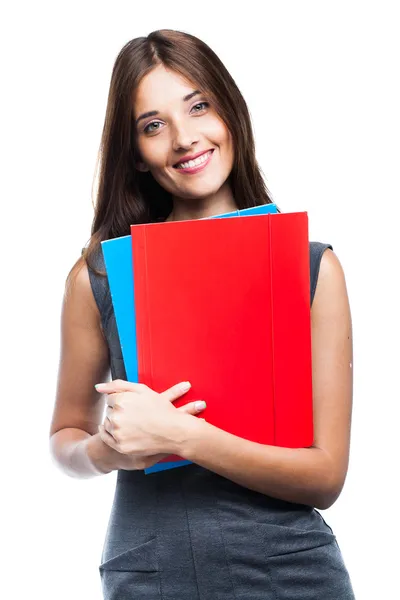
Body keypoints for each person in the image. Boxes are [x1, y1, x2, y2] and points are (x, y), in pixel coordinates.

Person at [49, 29, 356, 599]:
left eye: (199, 106)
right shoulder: (97, 277)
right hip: (151, 573)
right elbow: (65, 438)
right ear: (136, 154)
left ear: (230, 111)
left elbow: (326, 476)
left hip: (290, 575)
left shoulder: (313, 269)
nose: (185, 138)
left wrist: (186, 437)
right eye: (153, 125)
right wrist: (103, 450)